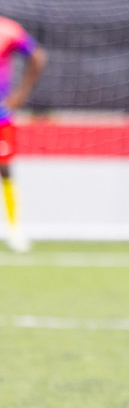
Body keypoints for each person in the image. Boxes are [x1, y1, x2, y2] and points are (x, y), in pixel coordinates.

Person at [0, 16, 46, 253]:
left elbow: (37, 57)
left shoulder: (8, 30)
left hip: (0, 115)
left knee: (5, 169)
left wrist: (21, 94)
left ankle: (14, 229)